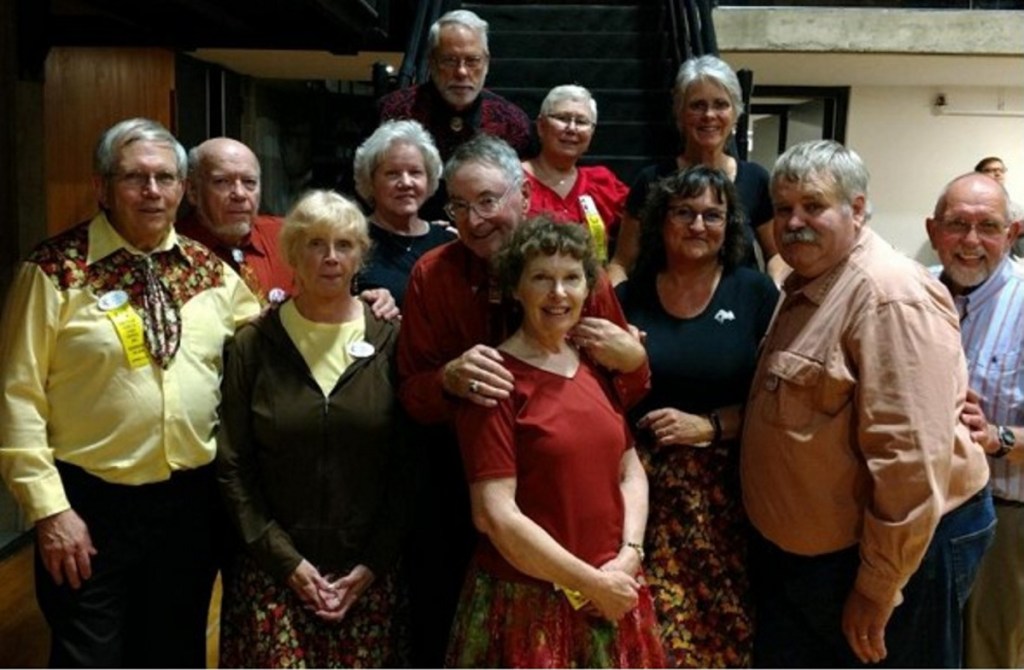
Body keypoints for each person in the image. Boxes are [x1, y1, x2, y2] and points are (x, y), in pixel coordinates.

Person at [0, 118, 260, 667]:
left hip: (190, 506)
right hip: (88, 507)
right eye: (135, 178)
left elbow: (273, 346)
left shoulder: (208, 272)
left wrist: (362, 310)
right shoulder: (54, 271)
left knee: (175, 652)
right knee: (88, 656)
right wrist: (49, 511)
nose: (152, 191)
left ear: (182, 188)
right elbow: (17, 397)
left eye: (166, 178)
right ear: (102, 187)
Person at [397, 133, 650, 666]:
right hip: (470, 492)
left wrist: (634, 361)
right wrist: (448, 378)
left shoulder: (579, 268)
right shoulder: (433, 276)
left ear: (524, 196)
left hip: (580, 509)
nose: (474, 219)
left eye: (487, 201)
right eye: (459, 206)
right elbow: (413, 396)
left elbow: (618, 410)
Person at [741, 139, 994, 668]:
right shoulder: (806, 281)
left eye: (813, 206)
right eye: (784, 209)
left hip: (892, 563)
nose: (794, 222)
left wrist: (879, 587)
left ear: (856, 209)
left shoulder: (889, 296)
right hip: (813, 566)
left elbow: (910, 460)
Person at [447, 216, 665, 667]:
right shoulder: (495, 380)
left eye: (571, 278)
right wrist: (590, 584)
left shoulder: (594, 363)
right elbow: (495, 515)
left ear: (589, 288)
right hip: (530, 606)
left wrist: (630, 555)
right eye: (542, 278)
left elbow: (630, 469)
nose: (559, 293)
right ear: (515, 288)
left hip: (613, 587)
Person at [216, 190, 411, 667]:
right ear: (292, 253)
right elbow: (233, 464)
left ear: (361, 255)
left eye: (344, 245)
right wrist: (286, 562)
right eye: (315, 244)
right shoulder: (253, 343)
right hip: (275, 570)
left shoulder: (392, 339)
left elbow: (410, 464)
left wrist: (372, 563)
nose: (330, 257)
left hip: (368, 571)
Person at [615, 166, 779, 667]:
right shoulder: (626, 298)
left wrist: (709, 426)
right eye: (684, 212)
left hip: (728, 496)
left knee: (723, 630)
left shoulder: (754, 294)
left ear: (730, 226)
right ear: (661, 221)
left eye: (713, 214)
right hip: (641, 491)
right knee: (645, 629)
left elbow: (778, 400)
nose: (698, 225)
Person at [924, 173, 1024, 669]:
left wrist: (998, 436)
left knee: (986, 656)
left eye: (987, 226)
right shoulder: (912, 293)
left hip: (1004, 516)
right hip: (915, 516)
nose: (970, 241)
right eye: (956, 224)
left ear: (1012, 233)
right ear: (932, 228)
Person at [609, 55, 785, 285]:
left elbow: (776, 255)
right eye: (697, 105)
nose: (709, 115)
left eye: (720, 104)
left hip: (738, 312)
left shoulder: (756, 179)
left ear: (735, 114)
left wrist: (777, 288)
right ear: (680, 114)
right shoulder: (652, 180)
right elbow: (621, 263)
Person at [179, 137, 399, 316]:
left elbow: (330, 298)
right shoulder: (173, 252)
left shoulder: (291, 235)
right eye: (222, 182)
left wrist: (367, 302)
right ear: (192, 191)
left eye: (249, 182)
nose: (239, 194)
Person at [378, 10, 531, 163]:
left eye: (472, 60)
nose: (461, 72)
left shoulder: (512, 124)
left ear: (486, 63)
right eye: (449, 60)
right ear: (431, 62)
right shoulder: (392, 113)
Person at [352, 119, 456, 306]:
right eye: (392, 174)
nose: (406, 183)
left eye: (415, 172)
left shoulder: (449, 243)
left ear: (429, 178)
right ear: (370, 180)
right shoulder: (351, 240)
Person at [522, 84, 629, 263]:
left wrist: (619, 266)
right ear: (541, 126)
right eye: (562, 118)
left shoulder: (602, 181)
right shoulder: (512, 179)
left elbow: (642, 219)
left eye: (581, 122)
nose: (571, 128)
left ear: (592, 133)